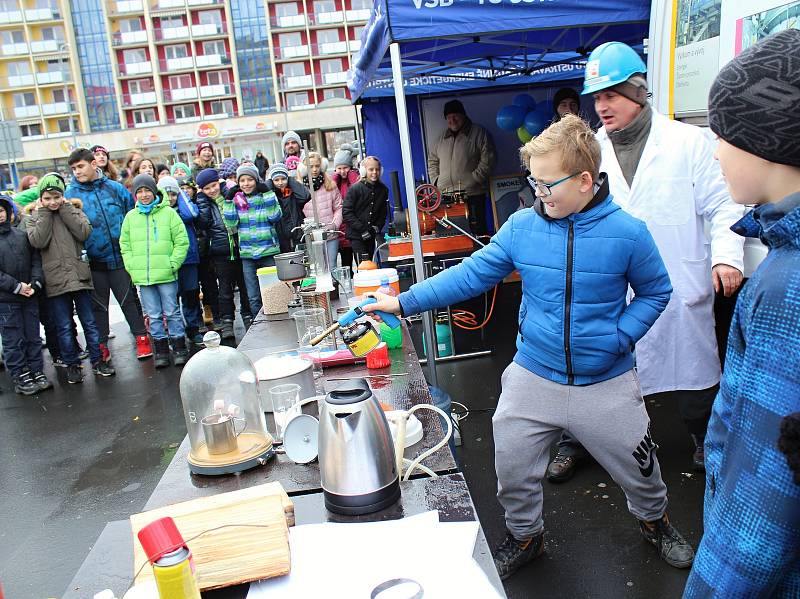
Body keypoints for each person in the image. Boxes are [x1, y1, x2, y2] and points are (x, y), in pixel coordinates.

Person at [365, 115, 694, 579]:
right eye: (532, 181)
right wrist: (402, 303)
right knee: (513, 469)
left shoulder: (629, 232)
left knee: (642, 473)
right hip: (532, 375)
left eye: (546, 183)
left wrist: (619, 337)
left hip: (607, 382)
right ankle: (526, 536)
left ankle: (654, 521)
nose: (536, 191)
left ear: (585, 180)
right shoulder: (521, 227)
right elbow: (470, 275)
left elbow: (657, 291)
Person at [547, 41, 746, 482]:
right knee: (592, 366)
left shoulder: (688, 142)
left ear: (638, 92)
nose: (601, 106)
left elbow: (724, 204)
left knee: (694, 371)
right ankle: (575, 442)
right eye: (596, 97)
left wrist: (726, 257)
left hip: (677, 278)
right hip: (612, 285)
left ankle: (704, 440)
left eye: (610, 95)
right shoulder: (589, 154)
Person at [683, 29, 800, 598]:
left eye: (723, 134)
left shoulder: (784, 289)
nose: (715, 150)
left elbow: (762, 496)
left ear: (766, 138)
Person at [26, 173, 115, 384]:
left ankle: (97, 361)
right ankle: (72, 365)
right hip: (54, 279)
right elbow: (38, 241)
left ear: (63, 196)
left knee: (90, 323)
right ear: (40, 199)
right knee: (64, 326)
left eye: (56, 197)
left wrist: (66, 209)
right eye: (47, 198)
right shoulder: (34, 217)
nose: (52, 202)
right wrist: (45, 213)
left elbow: (83, 232)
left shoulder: (73, 210)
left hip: (79, 275)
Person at [65, 148, 151, 361]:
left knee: (129, 300)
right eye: (73, 168)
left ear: (94, 164)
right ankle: (101, 345)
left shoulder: (116, 189)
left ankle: (142, 339)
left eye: (81, 166)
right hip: (93, 262)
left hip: (121, 258)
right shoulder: (70, 196)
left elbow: (132, 217)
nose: (77, 171)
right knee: (98, 306)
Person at [120, 174, 189, 368]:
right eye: (139, 192)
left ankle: (179, 347)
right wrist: (132, 267)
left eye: (147, 190)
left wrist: (172, 263)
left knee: (172, 311)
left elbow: (181, 241)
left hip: (166, 273)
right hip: (144, 276)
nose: (143, 195)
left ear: (154, 191)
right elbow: (125, 245)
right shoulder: (131, 217)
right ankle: (161, 350)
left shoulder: (168, 214)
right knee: (154, 314)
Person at [195, 168, 251, 340]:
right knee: (224, 290)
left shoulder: (231, 196)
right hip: (220, 252)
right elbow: (203, 222)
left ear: (219, 182)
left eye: (213, 185)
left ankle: (248, 316)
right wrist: (202, 201)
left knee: (244, 286)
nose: (212, 190)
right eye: (206, 188)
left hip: (240, 248)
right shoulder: (204, 203)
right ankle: (227, 321)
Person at [427, 99, 496, 236]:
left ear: (463, 115)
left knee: (477, 234)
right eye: (448, 117)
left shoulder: (478, 132)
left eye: (455, 116)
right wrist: (436, 181)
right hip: (447, 196)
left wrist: (474, 179)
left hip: (472, 194)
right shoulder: (441, 138)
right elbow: (432, 160)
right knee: (452, 234)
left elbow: (488, 159)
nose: (452, 120)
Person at [0, 193, 46, 395]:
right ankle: (20, 375)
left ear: (9, 212)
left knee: (33, 337)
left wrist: (35, 283)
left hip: (29, 296)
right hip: (6, 300)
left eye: (1, 210)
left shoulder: (21, 235)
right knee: (13, 340)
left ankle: (37, 370)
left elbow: (36, 260)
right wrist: (16, 286)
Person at [223, 164, 283, 318]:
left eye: (250, 179)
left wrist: (268, 193)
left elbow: (275, 216)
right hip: (248, 255)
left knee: (274, 291)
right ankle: (259, 324)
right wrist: (228, 200)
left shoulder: (264, 197)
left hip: (268, 251)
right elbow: (231, 224)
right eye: (242, 180)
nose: (246, 183)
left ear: (256, 180)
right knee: (253, 295)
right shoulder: (237, 201)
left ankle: (277, 318)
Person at [158, 176, 203, 344]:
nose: (170, 198)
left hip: (189, 259)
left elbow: (191, 213)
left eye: (173, 194)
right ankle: (175, 332)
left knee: (191, 293)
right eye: (166, 194)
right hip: (168, 261)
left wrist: (182, 195)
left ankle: (193, 328)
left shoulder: (184, 210)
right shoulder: (159, 213)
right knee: (171, 299)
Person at [299, 152, 342, 271]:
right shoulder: (299, 188)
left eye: (317, 166)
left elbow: (339, 207)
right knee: (316, 269)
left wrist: (334, 224)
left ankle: (334, 290)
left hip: (330, 234)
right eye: (310, 166)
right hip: (310, 236)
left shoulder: (330, 185)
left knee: (332, 267)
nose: (314, 170)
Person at [342, 156, 389, 263]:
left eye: (377, 169)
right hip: (356, 235)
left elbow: (383, 213)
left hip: (371, 235)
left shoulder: (383, 190)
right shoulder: (355, 189)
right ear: (363, 171)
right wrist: (362, 229)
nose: (374, 172)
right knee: (363, 264)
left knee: (370, 264)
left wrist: (377, 227)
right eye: (371, 169)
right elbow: (347, 212)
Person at [266, 163, 310, 252]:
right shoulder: (271, 195)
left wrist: (290, 180)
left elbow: (305, 196)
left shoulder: (293, 193)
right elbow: (262, 197)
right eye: (276, 180)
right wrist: (268, 184)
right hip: (280, 237)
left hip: (297, 235)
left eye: (283, 179)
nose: (280, 183)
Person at [332, 144, 359, 273]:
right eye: (339, 168)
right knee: (346, 263)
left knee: (360, 261)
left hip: (354, 226)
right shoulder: (334, 182)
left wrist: (351, 175)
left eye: (346, 168)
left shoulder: (354, 179)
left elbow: (357, 188)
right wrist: (335, 178)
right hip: (342, 230)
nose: (342, 171)